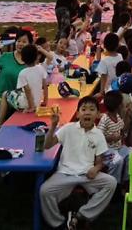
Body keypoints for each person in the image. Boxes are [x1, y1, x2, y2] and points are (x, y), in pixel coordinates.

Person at [40, 97, 117, 229]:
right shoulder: (68, 128)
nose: (87, 112)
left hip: (86, 174)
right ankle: (59, 223)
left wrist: (96, 168)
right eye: (84, 109)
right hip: (65, 173)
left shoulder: (98, 134)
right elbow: (47, 146)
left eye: (92, 110)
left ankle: (81, 215)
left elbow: (100, 161)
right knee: (44, 191)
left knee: (111, 182)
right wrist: (53, 126)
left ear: (98, 115)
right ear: (77, 114)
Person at [0, 29, 33, 112]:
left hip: (14, 102)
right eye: (18, 41)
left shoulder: (30, 63)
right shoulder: (6, 57)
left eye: (24, 42)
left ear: (30, 44)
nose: (20, 44)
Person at [0, 43, 48, 126]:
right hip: (38, 102)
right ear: (36, 57)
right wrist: (45, 101)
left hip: (26, 104)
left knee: (4, 94)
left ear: (23, 59)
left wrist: (31, 107)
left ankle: (0, 121)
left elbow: (27, 90)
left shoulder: (23, 73)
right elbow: (45, 85)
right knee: (16, 93)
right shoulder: (41, 68)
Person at [98, 90, 132, 187]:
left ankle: (126, 181)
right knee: (117, 161)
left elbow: (123, 129)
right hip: (107, 149)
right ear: (118, 106)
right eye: (122, 103)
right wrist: (110, 138)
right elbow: (98, 137)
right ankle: (114, 185)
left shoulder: (117, 117)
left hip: (118, 147)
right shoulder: (105, 119)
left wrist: (127, 116)